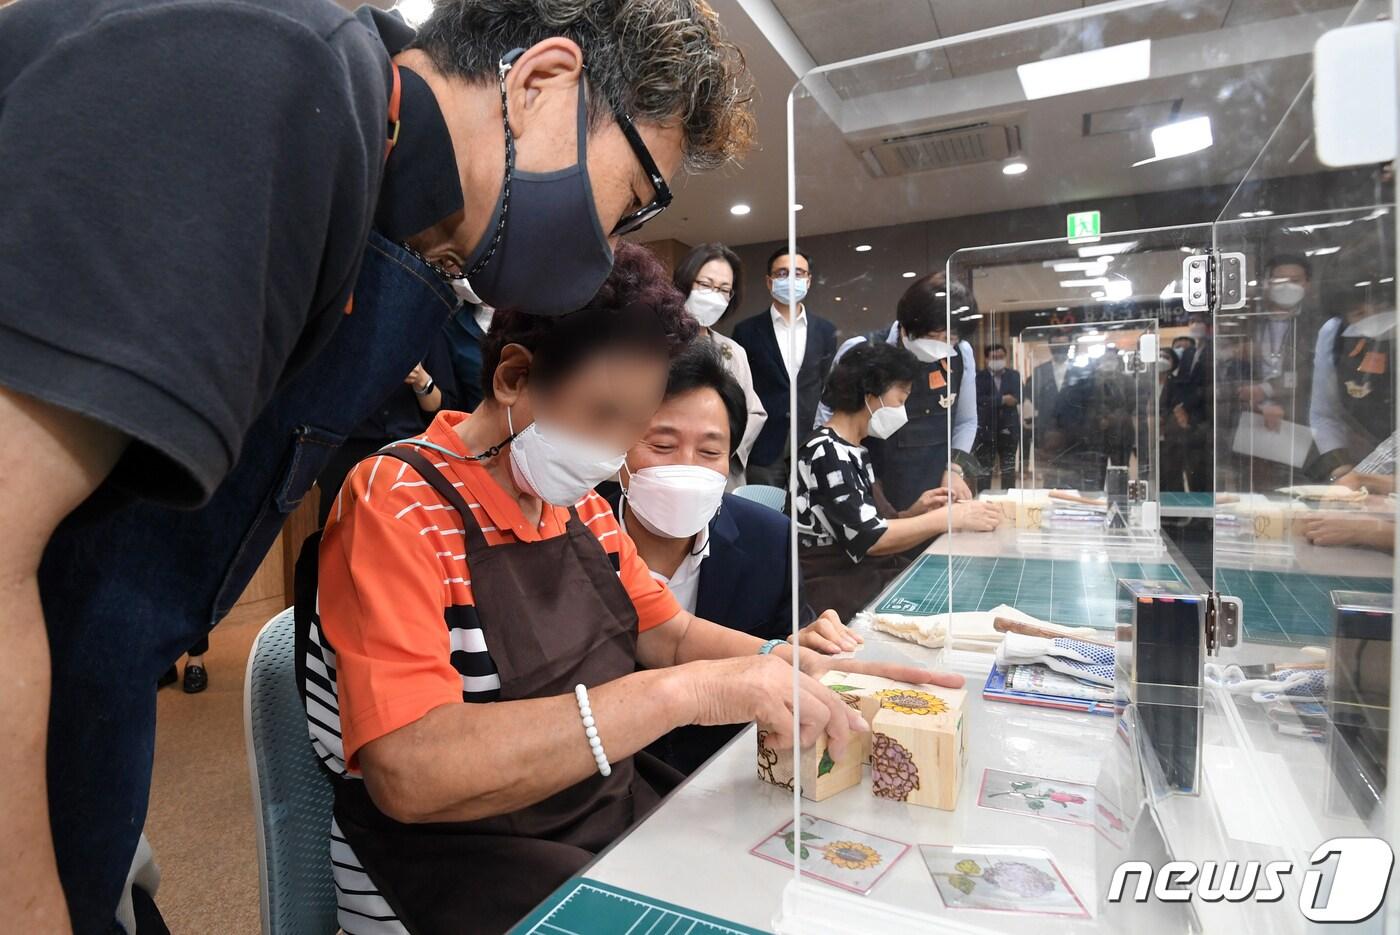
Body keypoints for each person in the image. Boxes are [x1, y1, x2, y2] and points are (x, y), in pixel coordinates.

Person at [0, 0, 757, 928]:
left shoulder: (395, 237)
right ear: (543, 84)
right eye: (634, 199)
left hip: (82, 706)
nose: (612, 241)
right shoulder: (270, 81)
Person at [301, 244, 957, 934]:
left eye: (631, 427)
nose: (615, 455)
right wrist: (688, 694)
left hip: (596, 827)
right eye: (604, 415)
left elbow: (667, 632)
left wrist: (789, 662)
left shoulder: (574, 503)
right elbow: (410, 771)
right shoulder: (394, 500)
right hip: (449, 875)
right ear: (515, 377)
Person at [607, 341, 856, 773]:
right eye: (662, 446)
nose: (686, 468)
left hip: (731, 779)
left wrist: (811, 641)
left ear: (730, 460)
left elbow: (789, 647)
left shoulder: (769, 540)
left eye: (709, 452)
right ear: (619, 448)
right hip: (605, 789)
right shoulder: (569, 531)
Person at [796, 342, 1002, 620]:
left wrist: (912, 512)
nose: (902, 412)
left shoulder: (854, 449)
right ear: (870, 393)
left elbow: (859, 522)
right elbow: (869, 539)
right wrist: (951, 517)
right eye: (900, 400)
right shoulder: (824, 452)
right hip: (833, 591)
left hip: (861, 575)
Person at [815, 277, 980, 511]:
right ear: (906, 326)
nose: (942, 346)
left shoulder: (961, 355)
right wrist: (850, 479)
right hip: (873, 481)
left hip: (937, 482)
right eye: (933, 337)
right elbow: (828, 423)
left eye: (950, 339)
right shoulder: (864, 349)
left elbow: (966, 420)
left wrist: (954, 469)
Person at [316, 349, 462, 526]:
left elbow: (444, 412)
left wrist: (421, 380)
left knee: (408, 531)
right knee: (339, 531)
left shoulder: (427, 333)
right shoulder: (346, 330)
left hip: (410, 451)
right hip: (347, 449)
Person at [732, 248, 838, 486]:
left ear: (809, 281)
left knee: (804, 516)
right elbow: (740, 388)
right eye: (782, 273)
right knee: (764, 515)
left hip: (809, 441)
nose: (791, 279)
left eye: (799, 273)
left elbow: (825, 386)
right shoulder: (747, 331)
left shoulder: (826, 331)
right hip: (763, 445)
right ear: (769, 282)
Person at [670, 243, 767, 486]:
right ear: (685, 282)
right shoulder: (656, 342)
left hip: (719, 474)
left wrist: (716, 447)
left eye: (724, 290)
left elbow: (754, 412)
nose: (714, 295)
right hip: (667, 466)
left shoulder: (733, 351)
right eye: (705, 285)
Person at [1309, 289, 1395, 484]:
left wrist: (1368, 479)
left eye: (1383, 310)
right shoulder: (1335, 333)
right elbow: (1324, 414)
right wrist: (1340, 467)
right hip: (1361, 462)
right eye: (1359, 314)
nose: (1375, 320)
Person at [1162, 317, 1213, 492]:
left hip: (1202, 421)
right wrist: (1178, 410)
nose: (1195, 324)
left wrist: (1186, 410)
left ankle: (1203, 517)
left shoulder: (1213, 350)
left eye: (1199, 320)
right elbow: (1181, 386)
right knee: (1178, 472)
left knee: (1200, 474)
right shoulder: (1190, 354)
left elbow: (1207, 387)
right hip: (1180, 424)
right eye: (1192, 320)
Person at [974, 343, 1021, 492]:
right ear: (986, 359)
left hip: (1009, 428)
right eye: (994, 357)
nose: (999, 360)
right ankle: (983, 498)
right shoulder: (978, 377)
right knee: (984, 470)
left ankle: (1009, 498)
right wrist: (1001, 400)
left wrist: (997, 400)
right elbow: (978, 399)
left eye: (1001, 357)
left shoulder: (1014, 376)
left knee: (1008, 469)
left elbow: (1019, 396)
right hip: (986, 430)